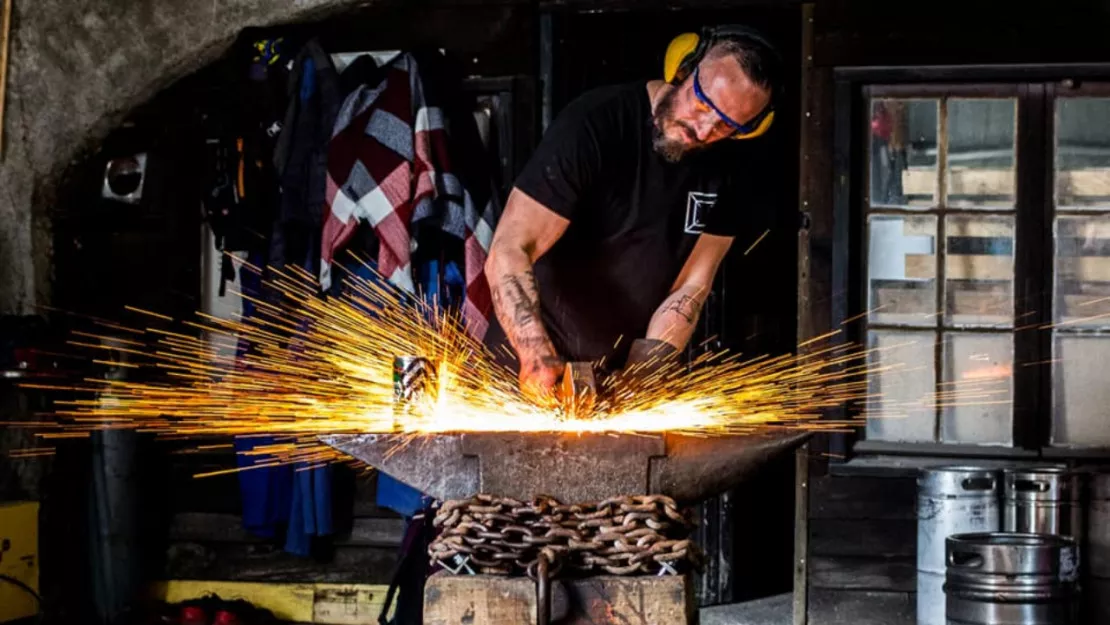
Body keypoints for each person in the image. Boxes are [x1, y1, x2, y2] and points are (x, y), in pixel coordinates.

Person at [483, 25, 784, 406]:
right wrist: (536, 355)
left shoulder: (731, 168)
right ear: (683, 66)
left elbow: (690, 287)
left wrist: (641, 379)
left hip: (615, 380)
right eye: (703, 103)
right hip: (520, 372)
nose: (705, 129)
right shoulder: (595, 124)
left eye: (728, 124)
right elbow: (509, 250)